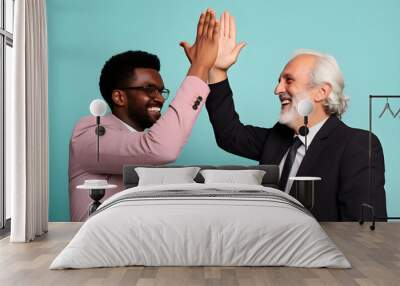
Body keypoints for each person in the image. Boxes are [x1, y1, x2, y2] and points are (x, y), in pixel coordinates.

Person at [186, 11, 387, 221]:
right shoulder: (278, 138)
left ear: (321, 92)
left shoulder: (356, 146)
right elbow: (229, 134)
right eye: (279, 81)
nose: (277, 89)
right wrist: (216, 71)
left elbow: (364, 230)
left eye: (288, 80)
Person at [69, 9, 220, 221]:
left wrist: (206, 71)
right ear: (119, 97)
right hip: (101, 251)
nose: (159, 98)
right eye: (149, 89)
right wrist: (200, 67)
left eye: (161, 91)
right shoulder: (88, 132)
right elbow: (160, 148)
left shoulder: (139, 141)